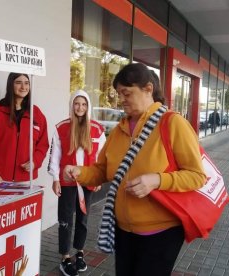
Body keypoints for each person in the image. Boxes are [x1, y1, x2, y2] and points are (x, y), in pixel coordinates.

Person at [63, 63, 206, 276]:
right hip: (124, 230)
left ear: (148, 89)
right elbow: (103, 171)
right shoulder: (120, 129)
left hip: (161, 232)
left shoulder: (173, 124)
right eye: (119, 93)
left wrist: (157, 180)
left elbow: (197, 176)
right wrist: (80, 172)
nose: (121, 99)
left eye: (126, 93)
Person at [47, 90, 106, 276]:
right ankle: (65, 257)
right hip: (67, 183)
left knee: (83, 219)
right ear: (72, 105)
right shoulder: (61, 127)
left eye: (84, 104)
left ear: (88, 107)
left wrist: (98, 178)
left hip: (87, 181)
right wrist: (55, 179)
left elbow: (101, 157)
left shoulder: (97, 129)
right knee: (65, 220)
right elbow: (55, 157)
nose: (80, 107)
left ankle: (79, 253)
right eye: (77, 104)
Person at [0, 72, 49, 183]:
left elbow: (43, 145)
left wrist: (34, 162)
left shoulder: (36, 114)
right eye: (18, 83)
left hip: (27, 179)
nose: (23, 87)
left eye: (26, 83)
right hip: (1, 179)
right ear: (11, 85)